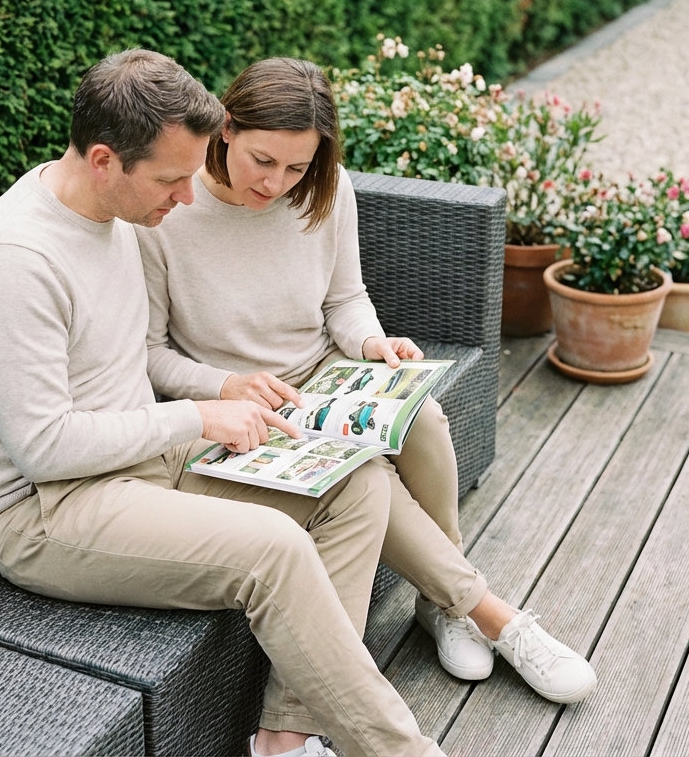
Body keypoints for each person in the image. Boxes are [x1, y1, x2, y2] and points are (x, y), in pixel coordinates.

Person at [0, 49, 444, 757]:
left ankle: (283, 740)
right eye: (173, 179)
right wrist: (201, 414)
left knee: (355, 483)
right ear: (103, 161)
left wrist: (200, 415)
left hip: (146, 457)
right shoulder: (15, 260)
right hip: (45, 508)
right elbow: (43, 449)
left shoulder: (118, 216)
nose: (187, 198)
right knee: (275, 550)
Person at [138, 57, 598, 707]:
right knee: (367, 477)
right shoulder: (171, 210)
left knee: (426, 418)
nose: (277, 182)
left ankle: (444, 605)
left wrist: (372, 343)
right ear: (227, 129)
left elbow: (345, 300)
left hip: (328, 379)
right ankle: (487, 612)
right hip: (244, 409)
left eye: (297, 167)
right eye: (263, 160)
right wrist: (226, 384)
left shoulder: (327, 190)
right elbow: (152, 354)